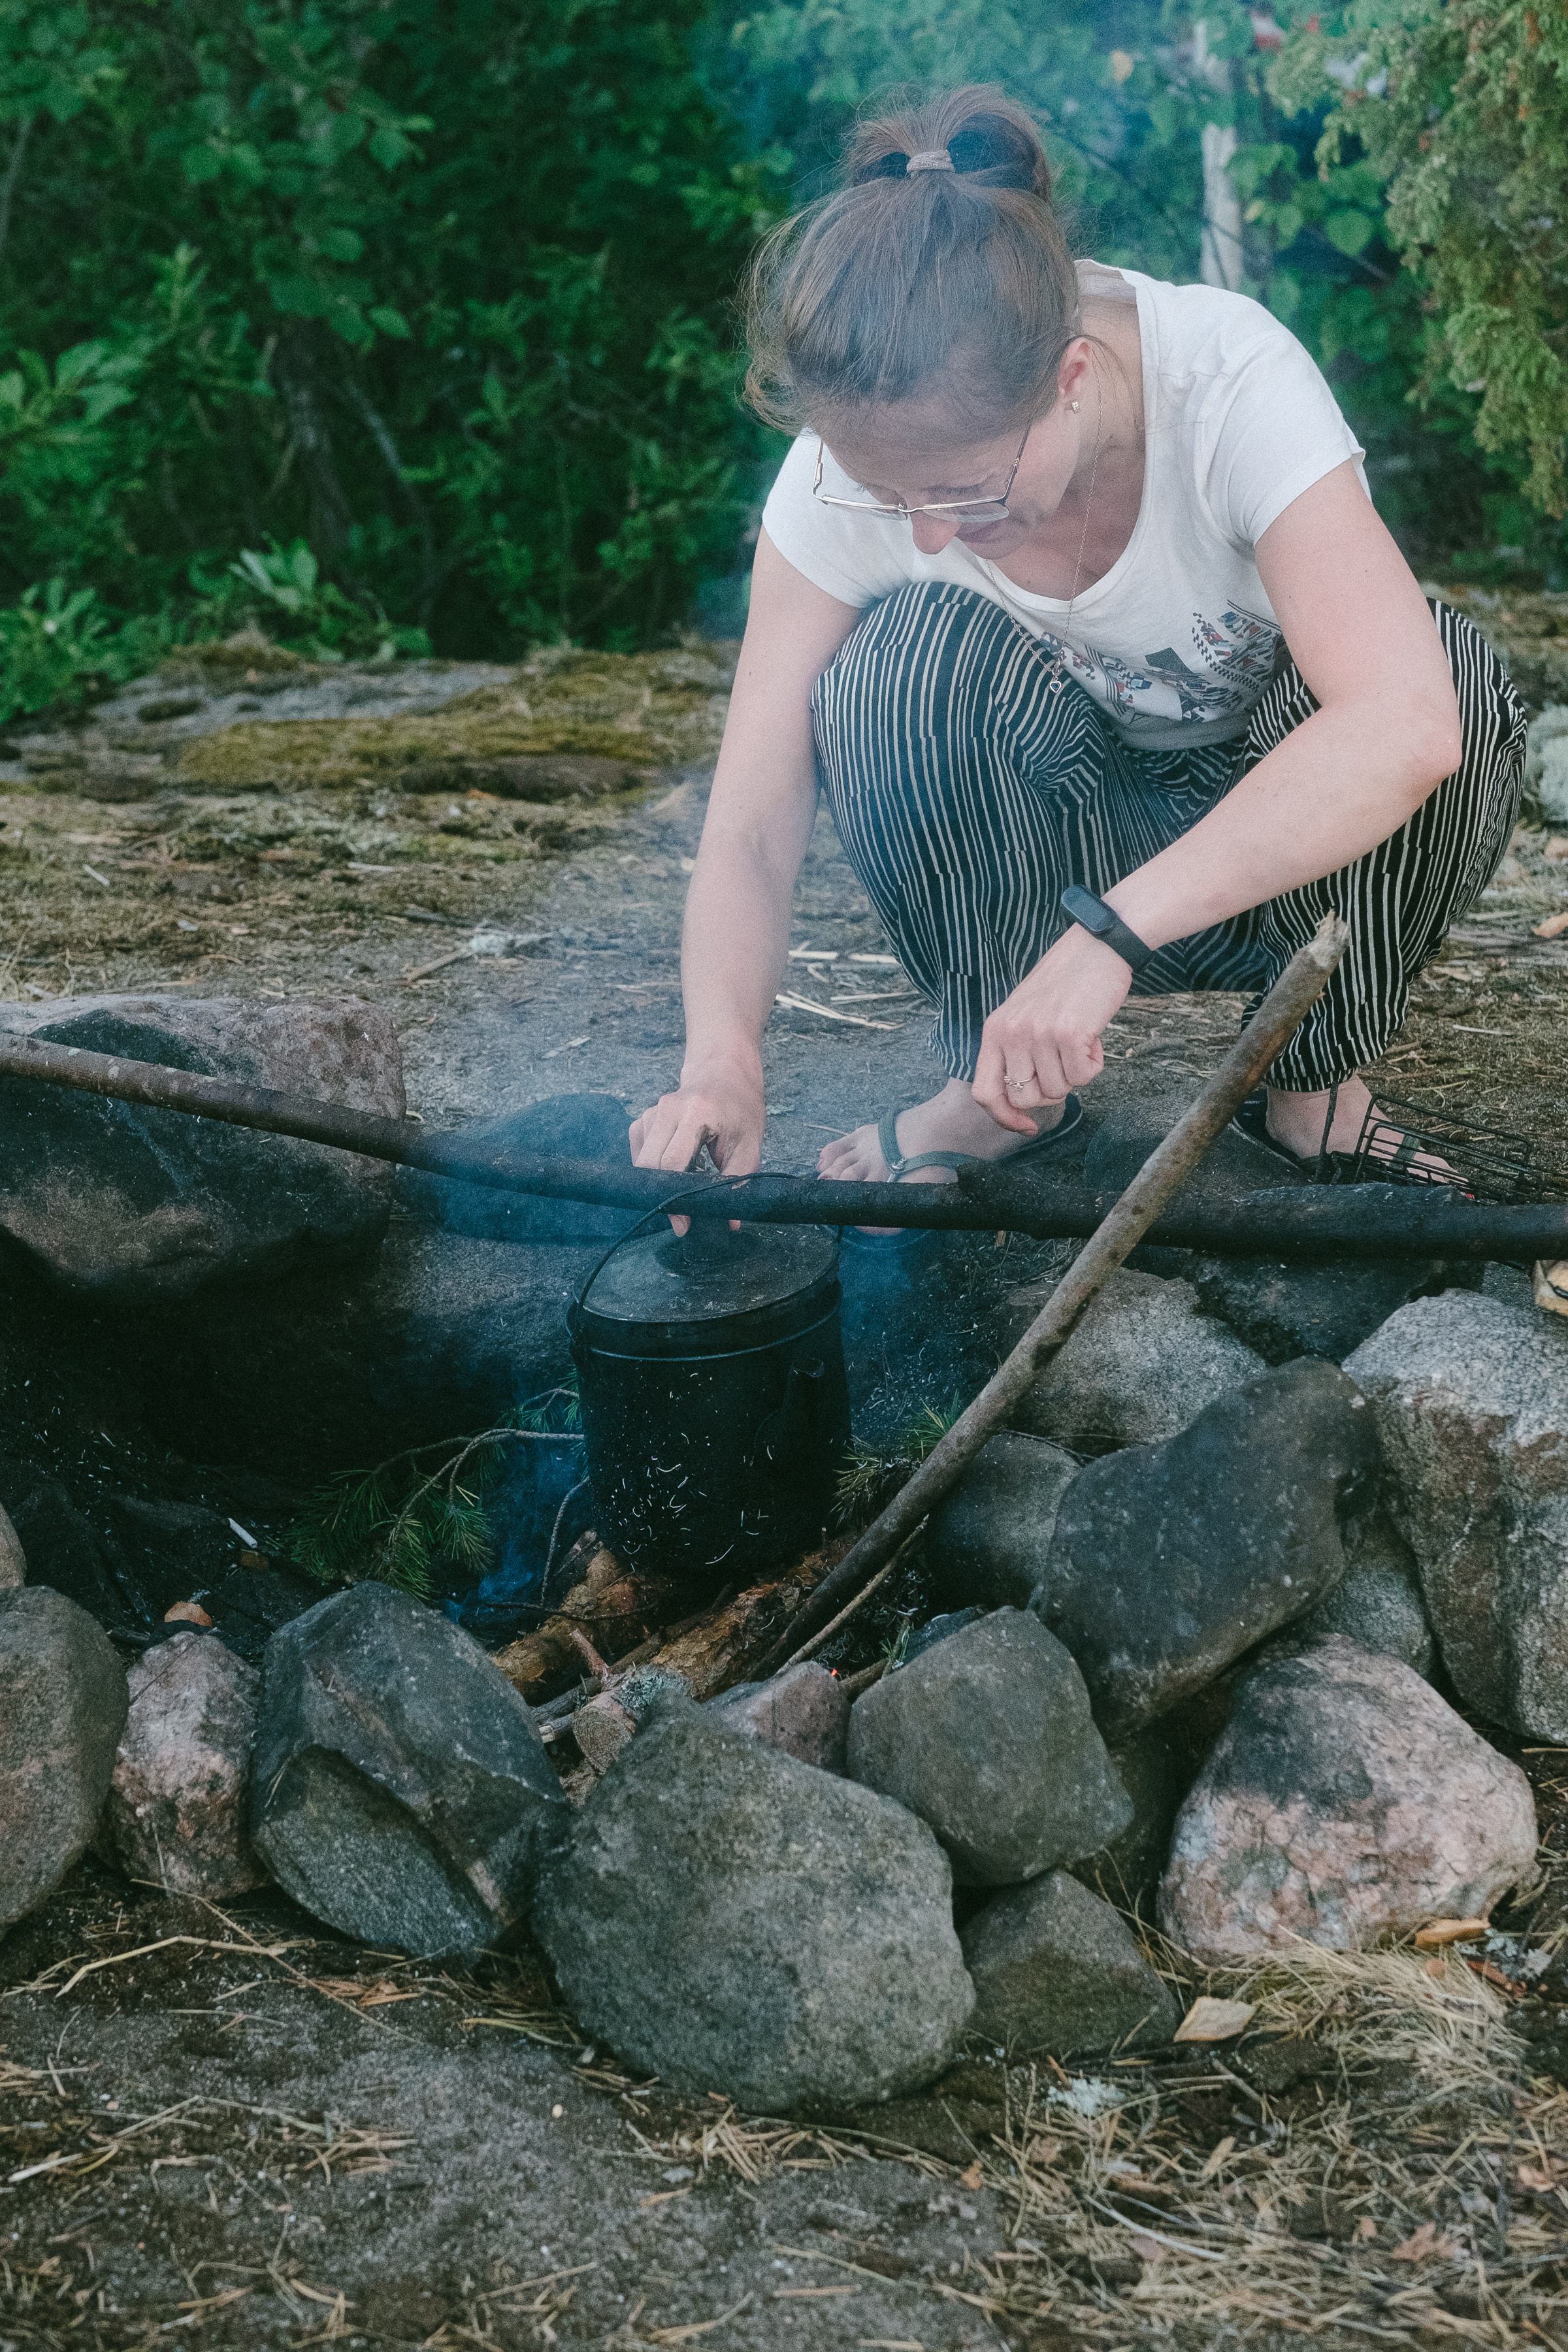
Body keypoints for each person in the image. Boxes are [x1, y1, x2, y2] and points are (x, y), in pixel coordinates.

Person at [629, 84, 1527, 1215]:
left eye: (966, 491)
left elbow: (1403, 723)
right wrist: (723, 1062)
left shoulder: (1227, 380)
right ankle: (1003, 1090)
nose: (929, 533)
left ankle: (1308, 1084)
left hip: (1294, 876)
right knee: (895, 666)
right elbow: (753, 825)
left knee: (1451, 681)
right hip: (1057, 866)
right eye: (887, 497)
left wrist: (1108, 938)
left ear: (1070, 380)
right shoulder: (839, 478)